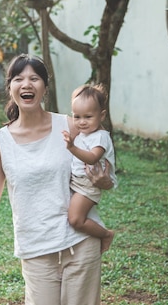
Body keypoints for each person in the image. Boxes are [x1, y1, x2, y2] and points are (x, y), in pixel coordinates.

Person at [0, 54, 114, 305]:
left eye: (34, 78)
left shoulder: (69, 126)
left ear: (45, 87)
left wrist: (104, 182)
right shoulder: (1, 142)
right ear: (10, 87)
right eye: (18, 78)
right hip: (36, 249)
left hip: (80, 243)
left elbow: (102, 171)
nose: (27, 84)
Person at [62, 84, 117, 254]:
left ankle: (106, 234)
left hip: (87, 185)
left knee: (76, 220)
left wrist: (72, 147)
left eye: (88, 116)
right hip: (78, 182)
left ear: (101, 115)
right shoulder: (86, 134)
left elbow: (93, 157)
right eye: (76, 116)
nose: (81, 122)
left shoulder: (100, 137)